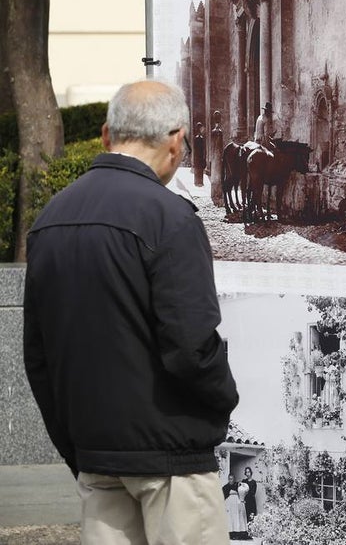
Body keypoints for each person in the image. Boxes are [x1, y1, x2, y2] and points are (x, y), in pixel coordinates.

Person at [23, 80, 238, 544]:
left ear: (105, 135)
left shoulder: (49, 220)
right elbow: (191, 347)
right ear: (177, 140)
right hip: (172, 459)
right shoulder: (171, 219)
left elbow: (38, 357)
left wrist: (76, 445)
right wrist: (225, 401)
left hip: (97, 455)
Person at [193, 120, 207, 187]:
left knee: (199, 169)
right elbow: (196, 149)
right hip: (198, 156)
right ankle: (198, 181)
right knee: (198, 169)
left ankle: (199, 181)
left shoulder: (200, 138)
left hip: (199, 156)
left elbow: (203, 148)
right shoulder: (197, 138)